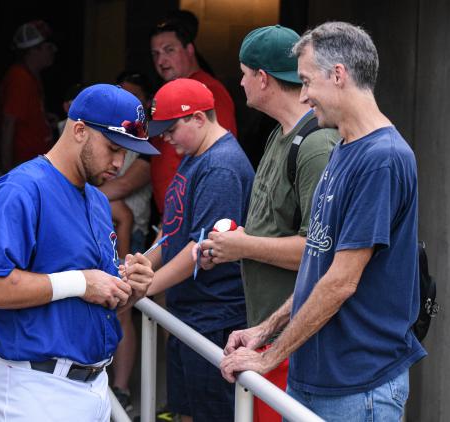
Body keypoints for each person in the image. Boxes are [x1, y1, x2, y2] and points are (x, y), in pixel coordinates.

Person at [219, 22, 426, 421]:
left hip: (357, 387)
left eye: (307, 81)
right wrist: (266, 332)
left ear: (338, 75)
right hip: (319, 380)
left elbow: (341, 281)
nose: (305, 94)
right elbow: (321, 268)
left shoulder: (381, 158)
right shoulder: (345, 148)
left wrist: (268, 358)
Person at [0, 84, 159, 421]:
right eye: (113, 147)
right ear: (79, 130)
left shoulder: (96, 198)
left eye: (126, 152)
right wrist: (80, 282)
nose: (119, 162)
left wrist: (129, 290)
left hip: (94, 384)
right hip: (33, 386)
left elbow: (94, 296)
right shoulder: (20, 188)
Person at [197, 25, 338, 422]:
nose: (239, 82)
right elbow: (275, 231)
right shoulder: (282, 134)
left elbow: (320, 255)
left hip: (297, 347)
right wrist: (231, 246)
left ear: (263, 78)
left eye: (244, 72)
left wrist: (242, 247)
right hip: (268, 336)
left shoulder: (316, 146)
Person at [145, 78, 254, 422]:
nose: (165, 138)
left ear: (197, 118)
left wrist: (144, 288)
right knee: (184, 412)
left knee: (210, 413)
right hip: (191, 313)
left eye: (170, 128)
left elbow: (200, 248)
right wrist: (142, 263)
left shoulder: (220, 166)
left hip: (214, 314)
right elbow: (174, 226)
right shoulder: (195, 154)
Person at [98, 71, 155, 411]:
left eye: (134, 99)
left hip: (127, 237)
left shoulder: (144, 148)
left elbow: (124, 211)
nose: (115, 161)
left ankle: (120, 389)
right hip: (104, 231)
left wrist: (80, 195)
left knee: (122, 312)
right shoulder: (99, 141)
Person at [149, 19, 238, 216]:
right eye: (155, 54)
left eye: (169, 50)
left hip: (196, 220)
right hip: (172, 222)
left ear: (190, 50)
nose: (161, 61)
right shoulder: (168, 94)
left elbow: (215, 156)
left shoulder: (209, 91)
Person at [0, 20, 58, 171]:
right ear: (33, 50)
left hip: (35, 162)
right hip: (25, 164)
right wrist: (7, 170)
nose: (53, 51)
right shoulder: (20, 78)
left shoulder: (31, 76)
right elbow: (8, 124)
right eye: (48, 47)